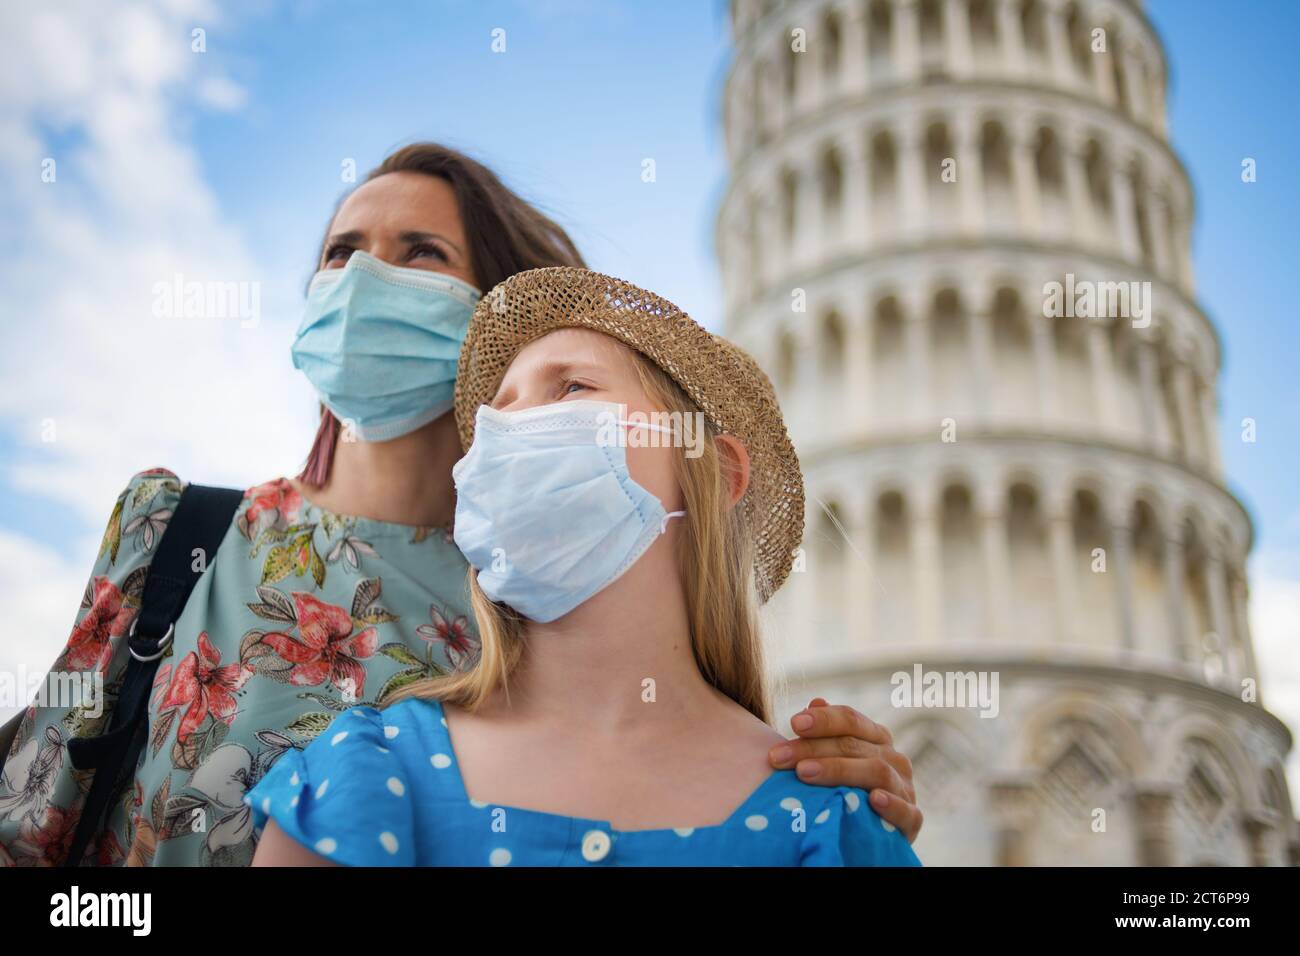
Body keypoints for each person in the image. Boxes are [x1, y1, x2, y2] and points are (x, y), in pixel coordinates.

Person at [0, 143, 921, 868]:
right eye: (340, 253)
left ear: (492, 309)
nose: (363, 280)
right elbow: (31, 827)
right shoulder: (177, 534)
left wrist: (839, 794)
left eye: (420, 254)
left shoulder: (554, 595)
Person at [245, 266, 921, 866]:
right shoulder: (362, 769)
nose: (511, 431)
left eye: (570, 388)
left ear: (713, 469)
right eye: (495, 416)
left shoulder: (835, 823)